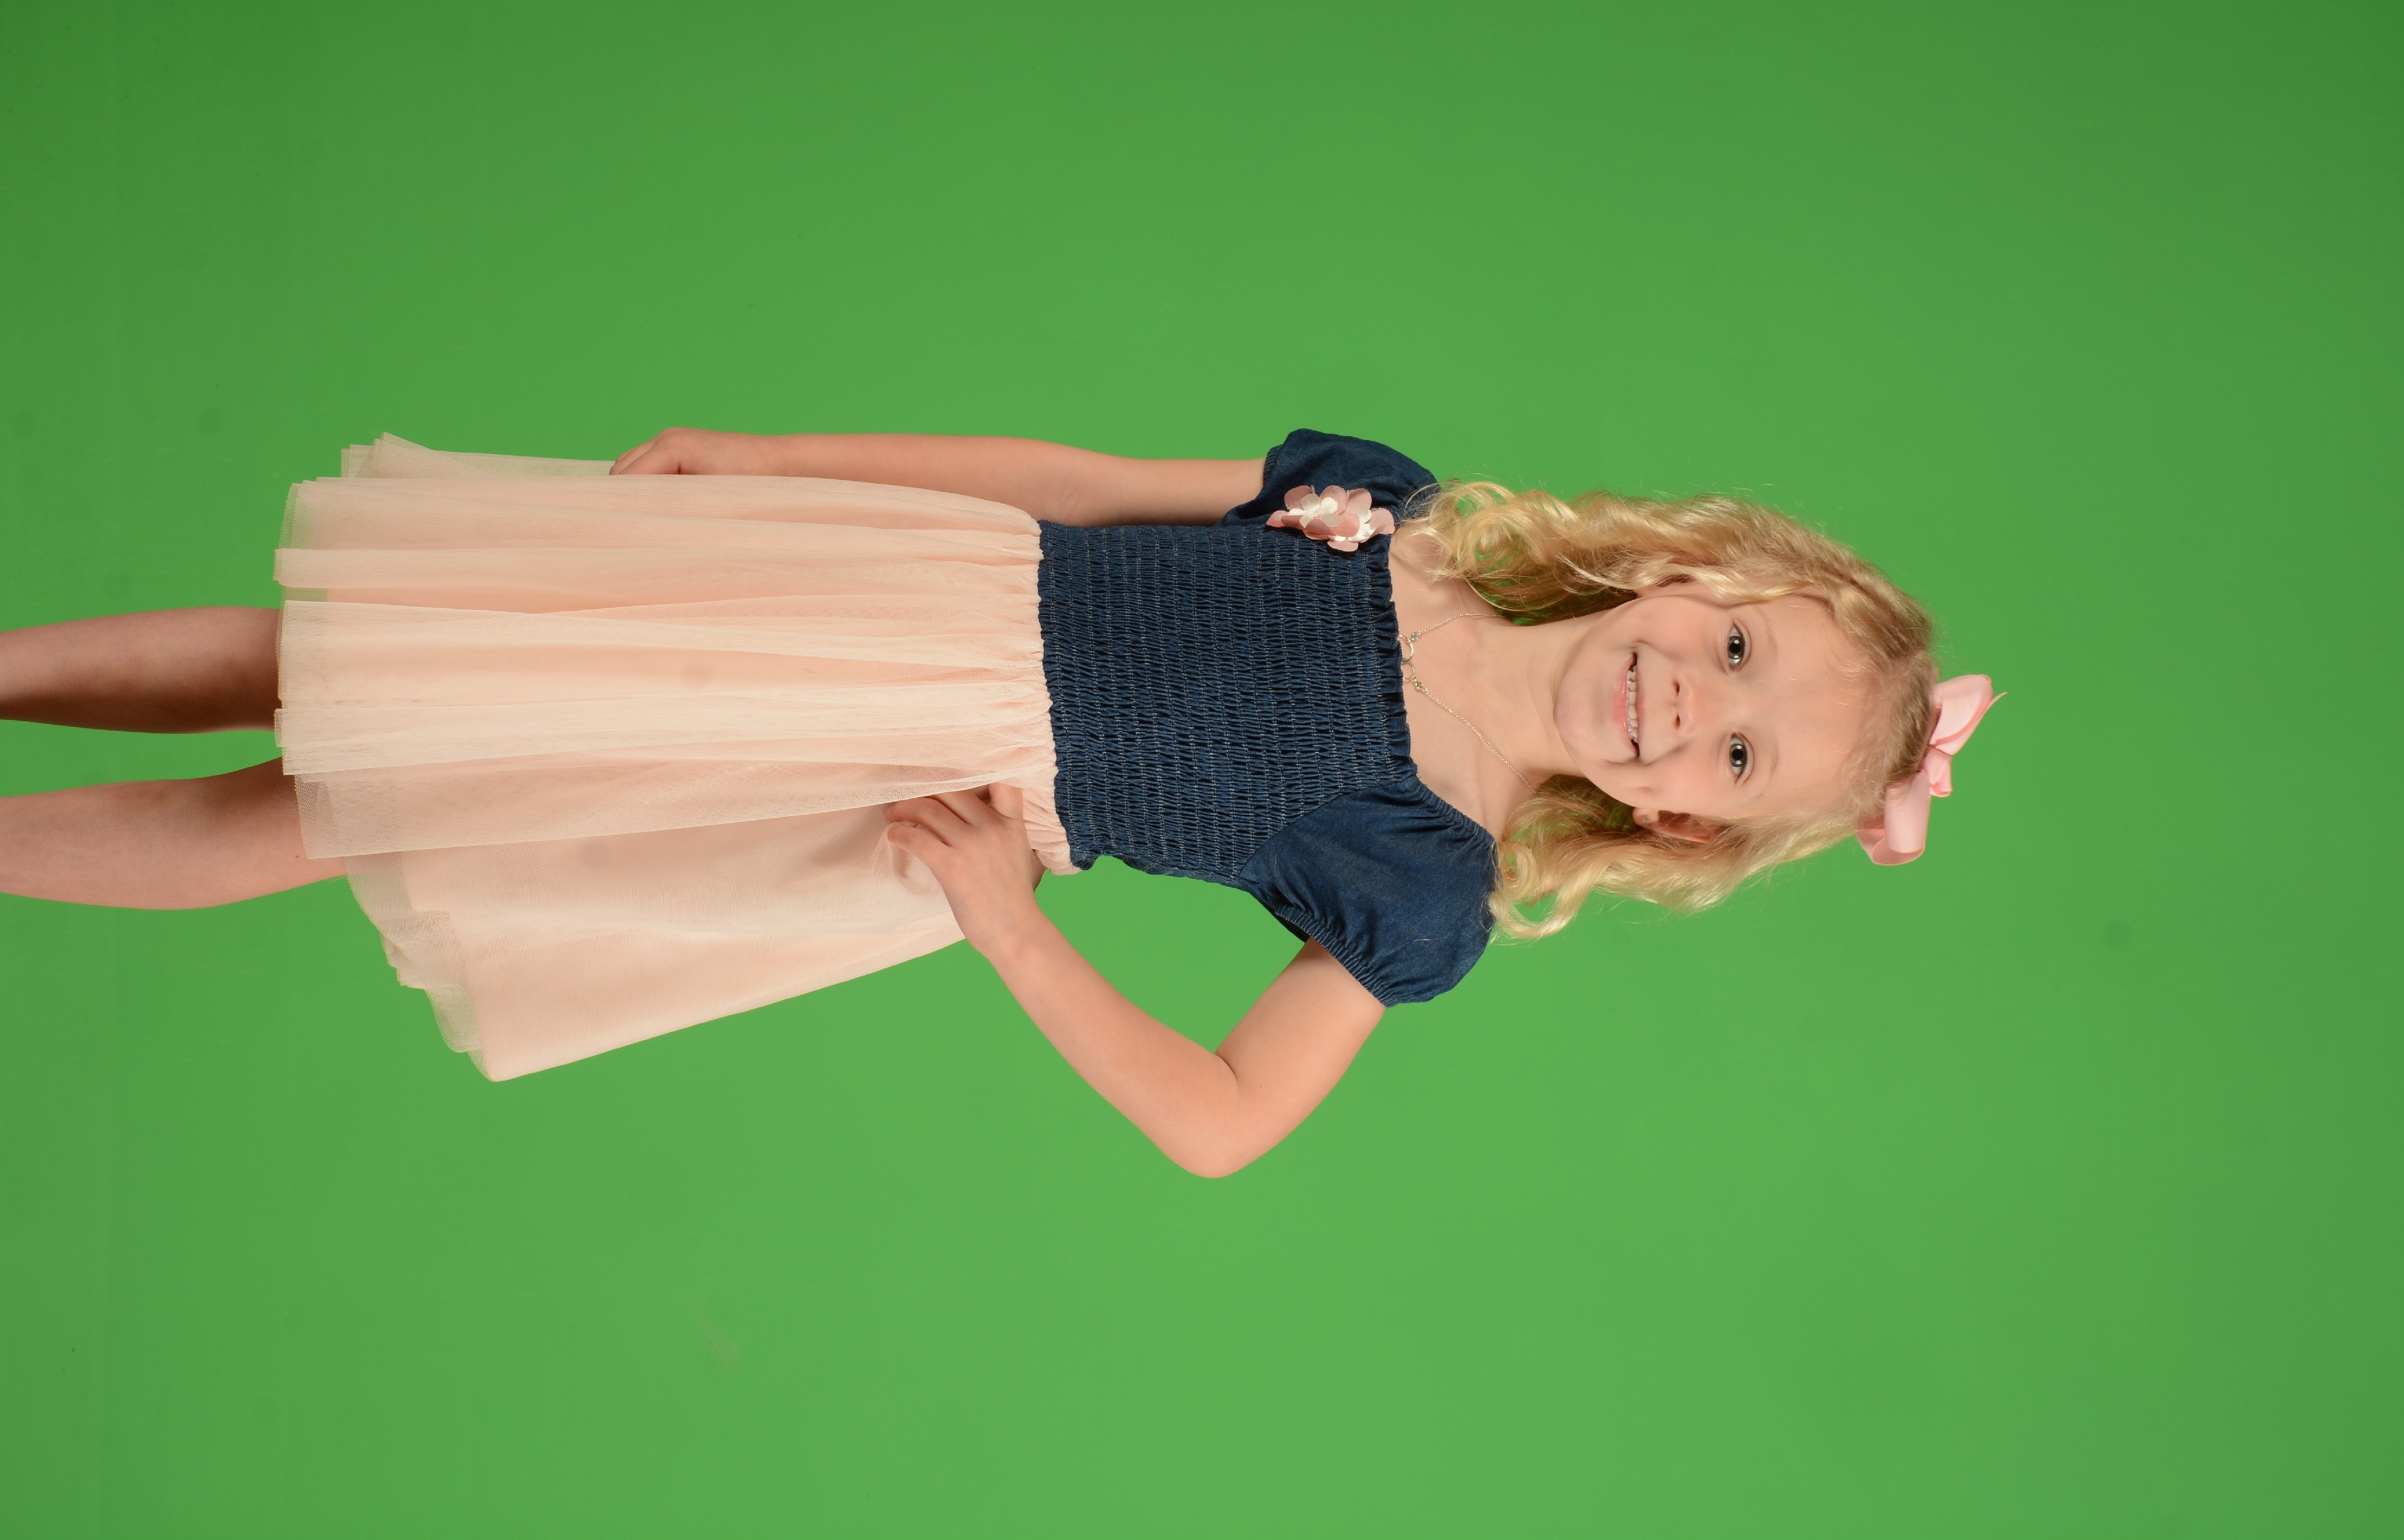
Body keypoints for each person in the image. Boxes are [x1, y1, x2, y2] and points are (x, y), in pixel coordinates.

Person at [0, 427, 1995, 1174]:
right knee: (348, 647)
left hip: (876, 768)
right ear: (1693, 576)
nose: (1689, 704)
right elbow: (1074, 484)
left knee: (344, 800)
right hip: (869, 594)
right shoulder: (1386, 515)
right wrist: (783, 457)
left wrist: (1009, 926)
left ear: (1682, 830)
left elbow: (1221, 1121)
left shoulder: (1420, 880)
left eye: (1738, 756)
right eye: (1737, 649)